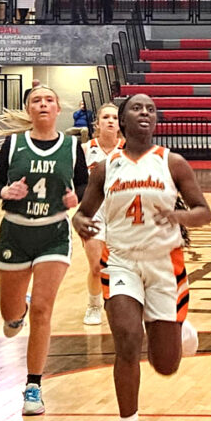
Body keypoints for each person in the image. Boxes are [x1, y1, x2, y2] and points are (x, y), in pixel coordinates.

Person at [73, 93, 211, 421]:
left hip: (165, 265)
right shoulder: (105, 168)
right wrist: (81, 223)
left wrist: (180, 216)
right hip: (120, 261)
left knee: (166, 365)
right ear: (121, 119)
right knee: (127, 342)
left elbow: (204, 212)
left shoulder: (173, 162)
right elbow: (83, 214)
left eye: (151, 109)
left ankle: (175, 327)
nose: (145, 113)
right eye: (137, 108)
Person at [0, 86, 88, 414]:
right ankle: (17, 314)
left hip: (54, 235)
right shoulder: (14, 143)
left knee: (44, 309)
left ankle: (33, 385)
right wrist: (6, 191)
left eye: (48, 100)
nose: (42, 105)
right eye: (36, 101)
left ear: (58, 108)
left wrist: (78, 199)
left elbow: (83, 184)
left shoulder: (73, 146)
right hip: (15, 235)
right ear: (28, 109)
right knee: (10, 315)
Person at [80, 102, 124, 325]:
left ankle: (120, 303)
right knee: (96, 266)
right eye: (105, 117)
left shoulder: (129, 150)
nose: (110, 121)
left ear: (120, 123)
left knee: (120, 267)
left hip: (121, 215)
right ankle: (94, 305)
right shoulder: (86, 149)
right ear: (97, 122)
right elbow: (75, 182)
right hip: (94, 214)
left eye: (114, 118)